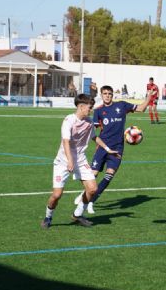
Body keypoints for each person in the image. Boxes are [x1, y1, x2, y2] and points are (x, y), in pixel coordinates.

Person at [74, 85, 152, 214]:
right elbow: (91, 131)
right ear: (101, 95)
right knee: (93, 175)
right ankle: (85, 194)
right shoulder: (98, 111)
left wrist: (149, 96)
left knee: (109, 176)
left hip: (117, 148)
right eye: (105, 93)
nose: (107, 95)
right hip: (103, 147)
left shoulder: (122, 105)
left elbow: (142, 108)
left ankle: (91, 201)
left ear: (112, 95)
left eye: (109, 93)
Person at [41, 94, 115, 229]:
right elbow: (65, 142)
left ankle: (77, 214)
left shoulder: (89, 122)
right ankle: (48, 216)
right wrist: (70, 161)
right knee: (57, 195)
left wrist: (107, 149)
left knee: (92, 189)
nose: (91, 110)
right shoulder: (69, 120)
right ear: (81, 106)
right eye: (89, 107)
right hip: (63, 161)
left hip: (80, 160)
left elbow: (94, 137)